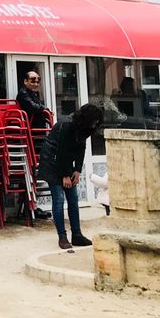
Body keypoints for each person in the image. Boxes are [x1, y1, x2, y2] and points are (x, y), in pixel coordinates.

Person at [38, 103, 104, 250]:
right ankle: (62, 236)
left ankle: (77, 234)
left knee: (73, 199)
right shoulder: (67, 126)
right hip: (51, 162)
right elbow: (61, 151)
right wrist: (64, 175)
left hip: (65, 163)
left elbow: (81, 149)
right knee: (59, 199)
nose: (96, 124)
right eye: (94, 121)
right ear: (87, 118)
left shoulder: (85, 129)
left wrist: (77, 170)